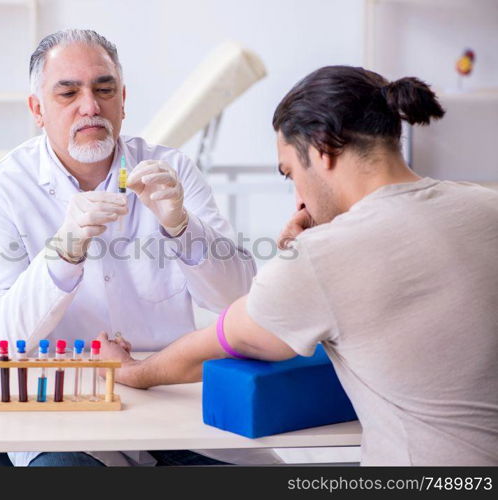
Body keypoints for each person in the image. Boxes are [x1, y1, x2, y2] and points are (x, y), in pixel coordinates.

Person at [99, 65, 498, 466]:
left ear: (322, 149)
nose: (298, 197)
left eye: (290, 173)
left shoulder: (324, 257)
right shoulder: (487, 206)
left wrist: (131, 369)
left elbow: (217, 344)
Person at [0, 29, 259, 466]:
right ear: (37, 110)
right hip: (64, 406)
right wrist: (64, 250)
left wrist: (183, 227)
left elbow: (237, 300)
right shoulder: (2, 191)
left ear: (122, 100)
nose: (90, 106)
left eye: (103, 89)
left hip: (169, 395)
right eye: (67, 93)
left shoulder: (171, 170)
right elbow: (4, 337)